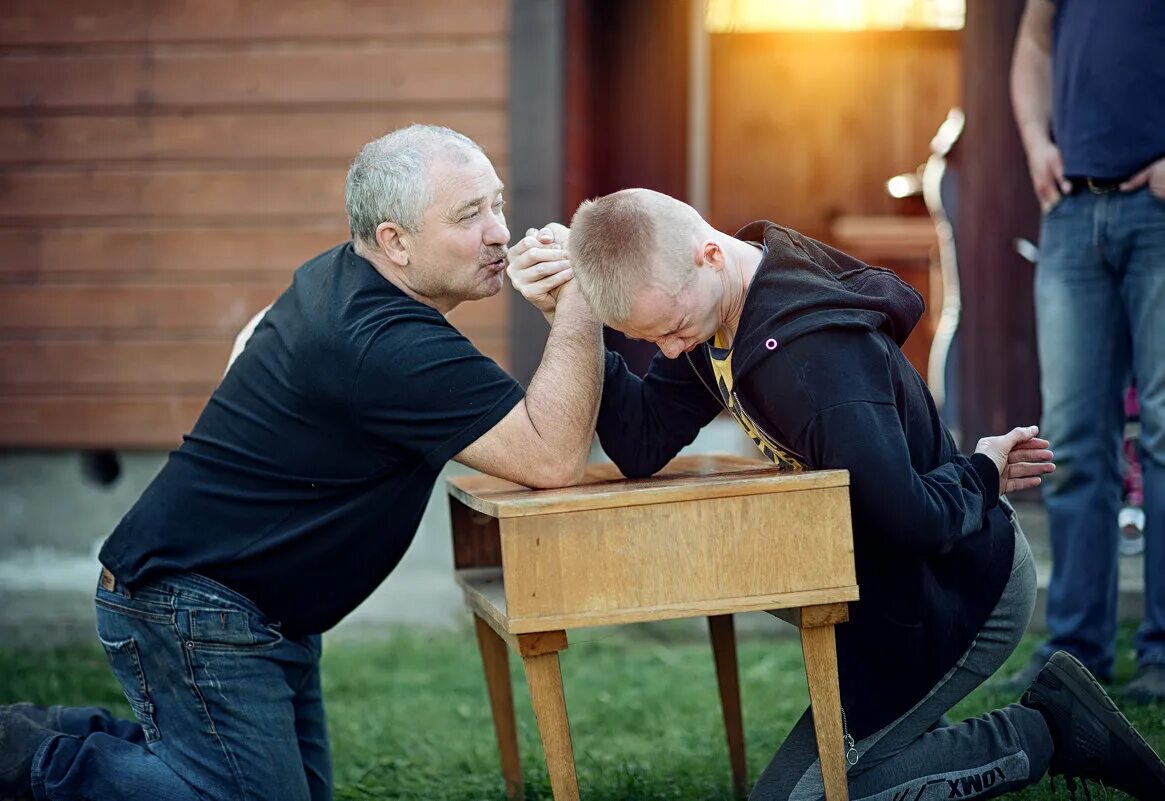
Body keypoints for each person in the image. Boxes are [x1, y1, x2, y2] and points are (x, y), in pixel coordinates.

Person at [0, 124, 602, 801]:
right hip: (195, 605)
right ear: (394, 242)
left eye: (496, 204)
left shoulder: (345, 277)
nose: (499, 232)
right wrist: (579, 299)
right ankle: (32, 758)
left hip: (253, 609)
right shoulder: (387, 343)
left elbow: (254, 328)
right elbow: (552, 456)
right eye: (470, 215)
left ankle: (80, 735)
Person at [508, 188, 1165, 800]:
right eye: (652, 339)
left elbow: (912, 519)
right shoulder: (717, 303)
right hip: (885, 593)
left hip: (955, 590)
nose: (672, 348)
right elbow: (642, 438)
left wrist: (982, 470)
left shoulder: (815, 364)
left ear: (708, 255)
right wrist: (574, 316)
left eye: (671, 328)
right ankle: (1043, 722)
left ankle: (1046, 728)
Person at [1008, 0, 1165, 701]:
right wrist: (1036, 143)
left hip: (1157, 213)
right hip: (1070, 214)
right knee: (1070, 443)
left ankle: (1162, 654)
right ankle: (1075, 652)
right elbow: (1035, 43)